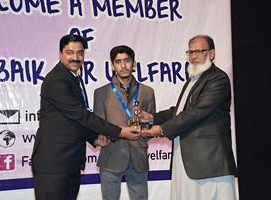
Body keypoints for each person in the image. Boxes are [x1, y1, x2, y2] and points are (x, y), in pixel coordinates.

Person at [31, 34, 141, 200]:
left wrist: (94, 137)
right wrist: (119, 131)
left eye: (80, 53)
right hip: (54, 163)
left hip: (69, 161)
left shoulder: (74, 78)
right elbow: (81, 115)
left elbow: (72, 119)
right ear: (60, 54)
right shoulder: (57, 80)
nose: (75, 58)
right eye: (70, 52)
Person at [140, 35, 237, 200]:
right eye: (190, 52)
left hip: (208, 162)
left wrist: (162, 129)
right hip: (189, 159)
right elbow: (180, 111)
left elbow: (197, 112)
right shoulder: (194, 79)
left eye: (199, 51)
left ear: (211, 54)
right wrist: (152, 118)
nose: (193, 56)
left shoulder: (217, 78)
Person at [93, 45, 156, 200]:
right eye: (118, 61)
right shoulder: (101, 93)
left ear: (133, 63)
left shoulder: (147, 91)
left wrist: (144, 133)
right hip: (111, 156)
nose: (123, 65)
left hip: (138, 157)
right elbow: (98, 126)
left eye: (127, 60)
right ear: (112, 66)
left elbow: (151, 124)